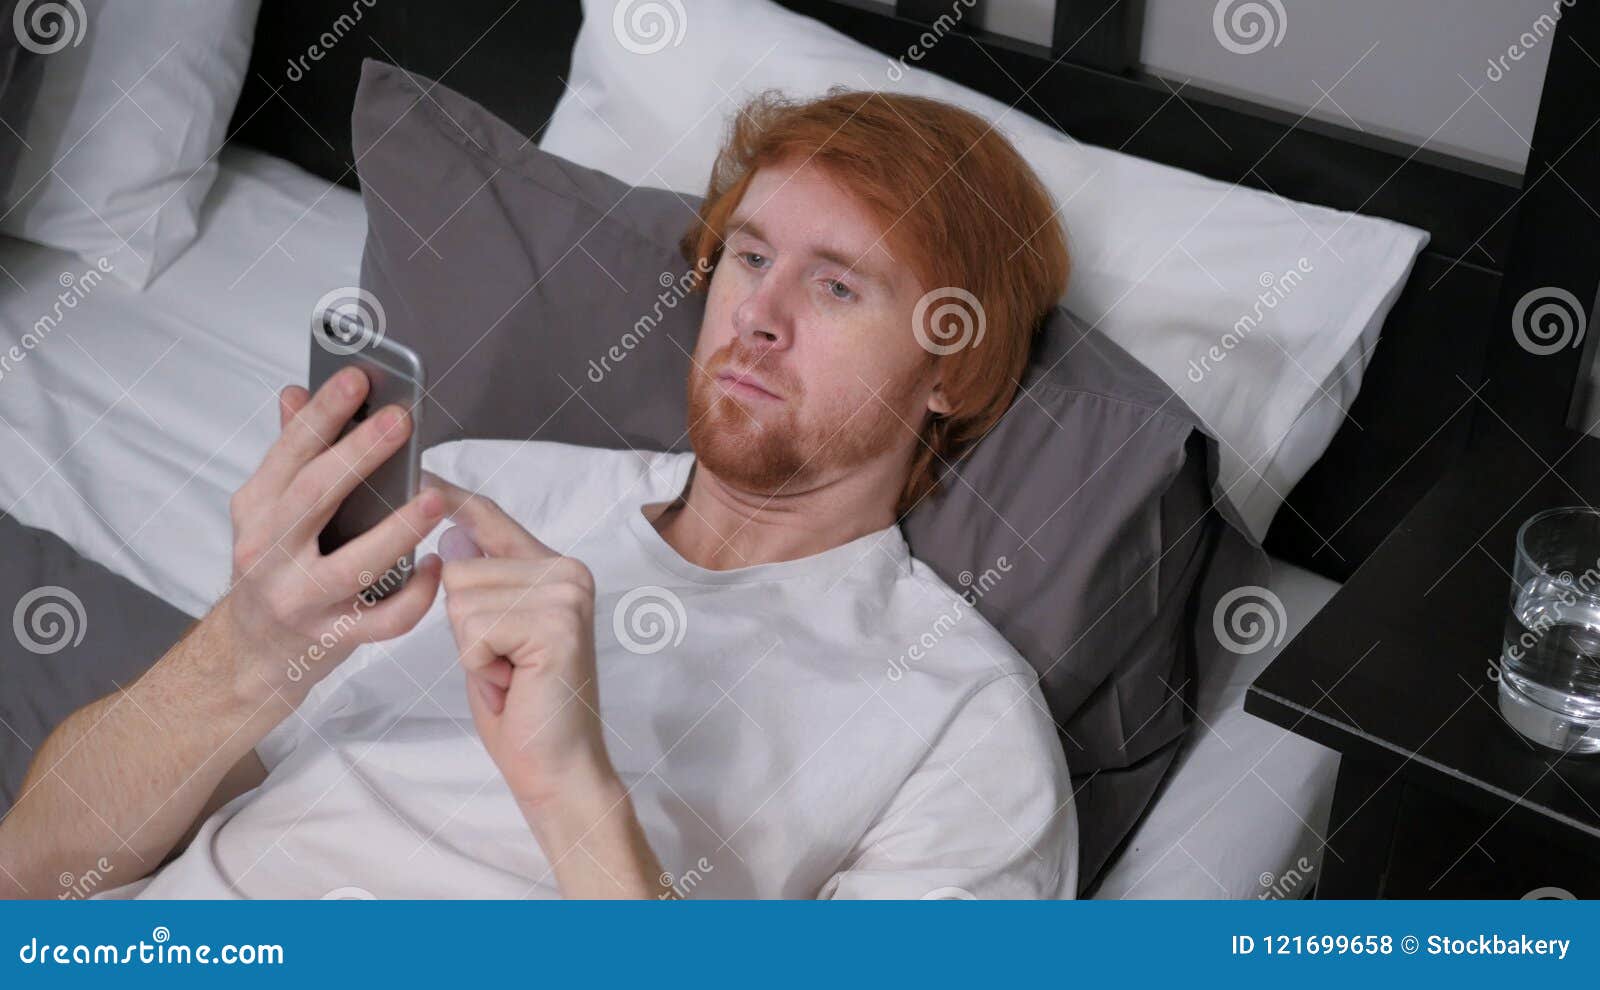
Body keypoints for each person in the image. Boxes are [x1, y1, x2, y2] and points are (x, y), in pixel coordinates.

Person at [0, 89, 1077, 899]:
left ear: (952, 365)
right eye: (747, 257)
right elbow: (37, 872)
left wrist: (572, 792)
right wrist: (246, 650)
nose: (757, 313)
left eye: (837, 285)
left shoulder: (964, 724)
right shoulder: (474, 495)